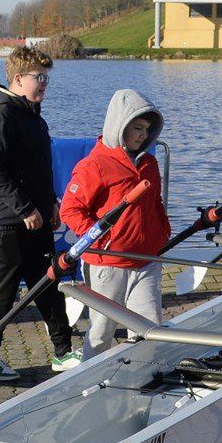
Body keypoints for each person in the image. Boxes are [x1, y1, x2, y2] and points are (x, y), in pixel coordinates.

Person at [0, 44, 79, 381]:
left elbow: (32, 168)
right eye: (39, 78)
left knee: (48, 283)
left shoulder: (31, 113)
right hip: (8, 220)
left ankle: (63, 352)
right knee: (4, 289)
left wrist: (49, 202)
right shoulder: (1, 114)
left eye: (47, 78)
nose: (45, 83)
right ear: (18, 78)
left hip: (35, 216)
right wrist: (24, 207)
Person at [60, 89, 167, 356]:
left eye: (147, 129)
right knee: (101, 331)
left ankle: (145, 382)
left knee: (150, 328)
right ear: (119, 126)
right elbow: (70, 210)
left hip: (146, 260)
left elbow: (155, 204)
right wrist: (100, 238)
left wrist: (162, 232)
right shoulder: (94, 165)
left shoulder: (150, 163)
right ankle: (88, 385)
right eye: (137, 128)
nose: (143, 135)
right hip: (108, 264)